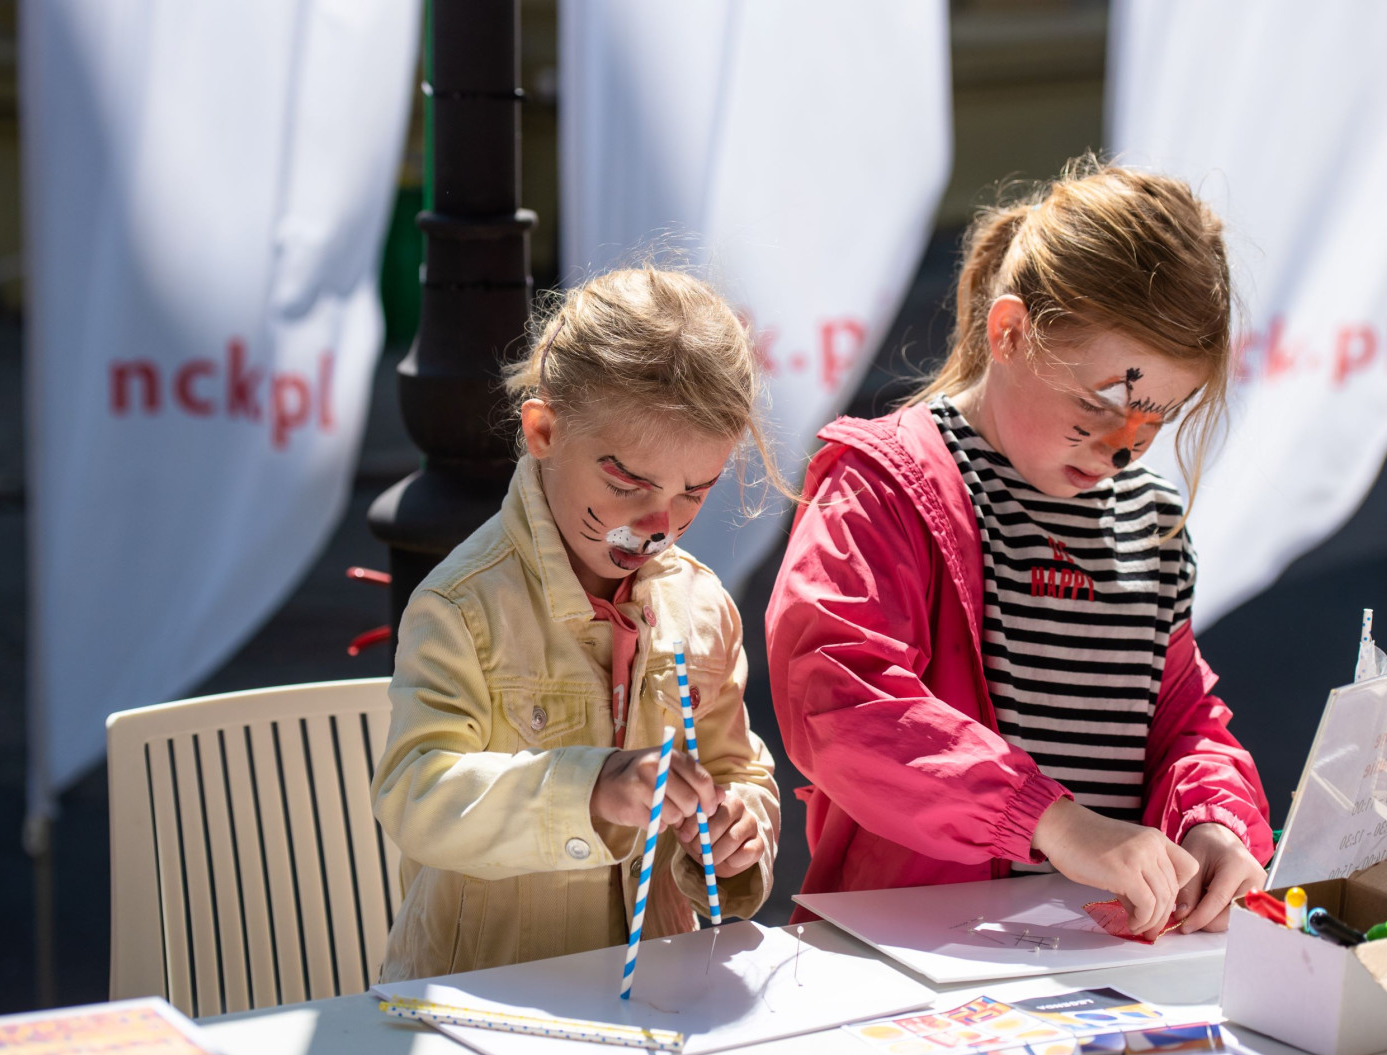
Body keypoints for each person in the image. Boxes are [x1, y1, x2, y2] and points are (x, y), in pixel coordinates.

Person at [766, 161, 1273, 938]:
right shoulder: (885, 484)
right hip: (921, 952)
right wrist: (1052, 823)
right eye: (1099, 406)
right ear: (1008, 333)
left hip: (1101, 958)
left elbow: (1183, 721)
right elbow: (840, 700)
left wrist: (1213, 819)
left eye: (1157, 419)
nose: (1123, 447)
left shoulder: (1150, 521)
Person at [372, 267, 782, 980]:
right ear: (544, 430)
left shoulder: (702, 606)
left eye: (695, 491)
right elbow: (416, 792)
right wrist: (588, 788)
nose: (659, 524)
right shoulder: (464, 606)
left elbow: (736, 768)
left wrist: (738, 828)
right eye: (628, 484)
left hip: (653, 990)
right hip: (484, 997)